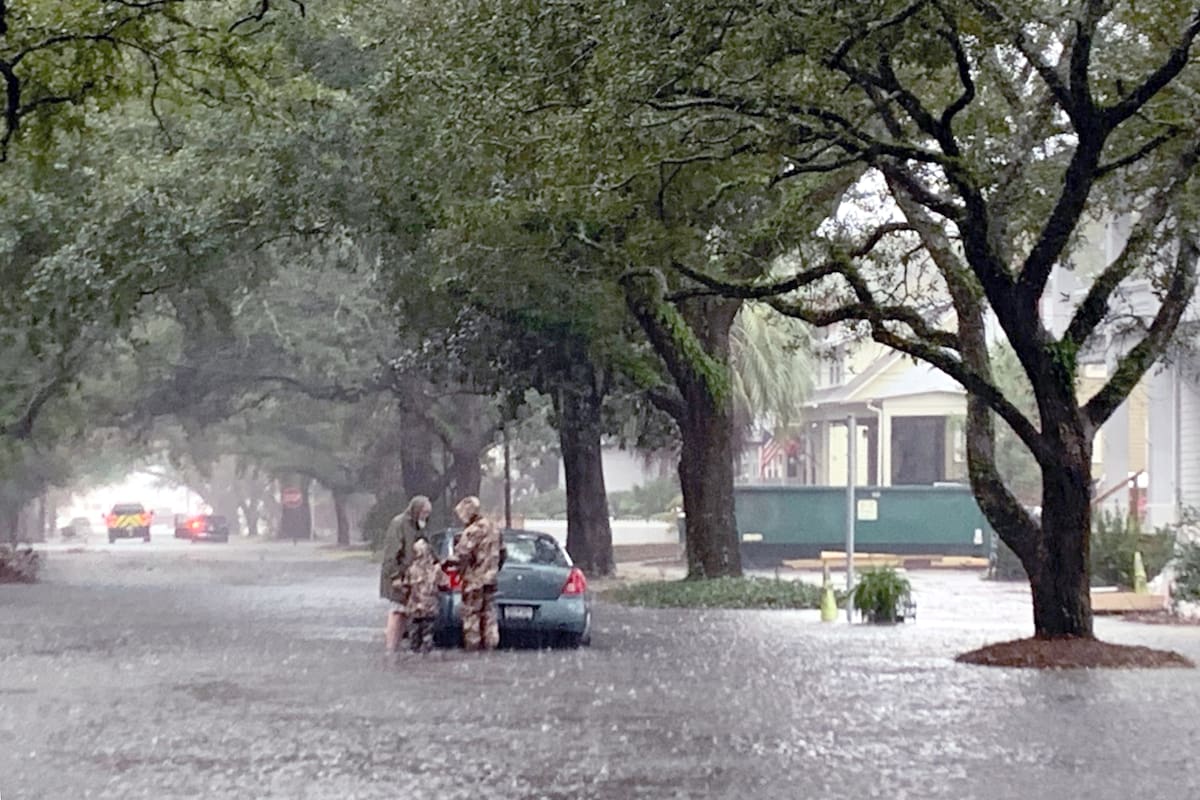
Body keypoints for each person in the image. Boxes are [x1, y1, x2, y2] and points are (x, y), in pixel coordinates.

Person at [379, 495, 432, 653]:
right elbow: (391, 553)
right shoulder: (399, 524)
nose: (426, 516)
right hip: (398, 576)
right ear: (416, 510)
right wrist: (395, 576)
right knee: (396, 611)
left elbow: (427, 547)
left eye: (428, 513)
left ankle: (394, 647)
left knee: (404, 612)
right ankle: (390, 647)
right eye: (424, 512)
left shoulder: (418, 526)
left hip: (411, 577)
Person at [451, 496, 503, 652]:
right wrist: (494, 568)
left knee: (471, 613)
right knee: (489, 613)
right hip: (491, 579)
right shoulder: (494, 528)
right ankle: (491, 644)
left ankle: (473, 647)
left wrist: (452, 566)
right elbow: (503, 552)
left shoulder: (472, 531)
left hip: (474, 580)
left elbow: (461, 555)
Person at [398, 537, 447, 653]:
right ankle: (426, 656)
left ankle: (415, 656)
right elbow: (444, 584)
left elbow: (405, 587)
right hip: (430, 608)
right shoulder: (436, 569)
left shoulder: (411, 569)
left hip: (414, 608)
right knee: (428, 634)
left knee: (414, 635)